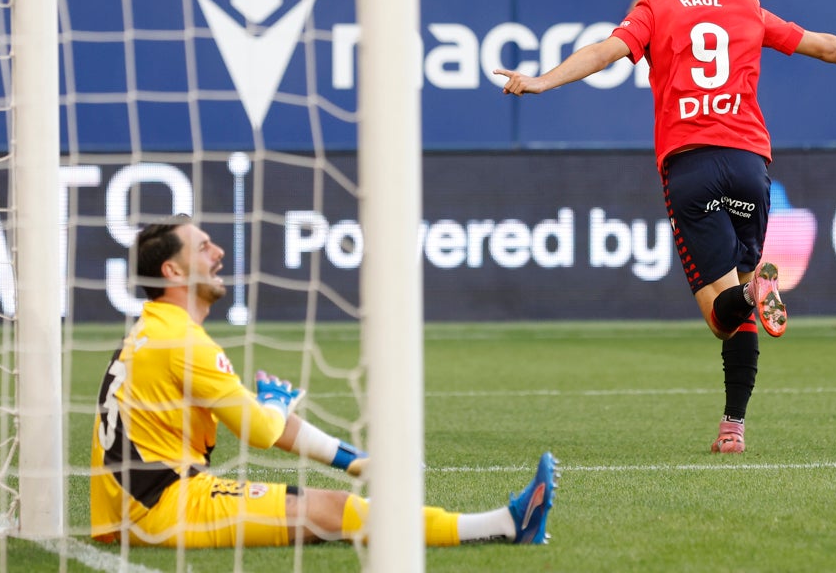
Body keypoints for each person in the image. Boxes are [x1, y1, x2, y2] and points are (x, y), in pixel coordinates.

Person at [493, 0, 836, 453]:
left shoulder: (654, 7)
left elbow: (605, 52)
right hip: (749, 160)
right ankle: (733, 426)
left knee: (723, 316)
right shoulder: (746, 5)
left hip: (691, 163)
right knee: (742, 292)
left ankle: (750, 295)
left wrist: (542, 80)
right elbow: (826, 46)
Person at [91, 214, 557, 547]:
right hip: (161, 508)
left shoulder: (155, 330)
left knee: (324, 496)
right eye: (203, 247)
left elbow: (266, 423)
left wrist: (358, 463)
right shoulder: (182, 341)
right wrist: (276, 406)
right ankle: (503, 526)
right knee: (334, 510)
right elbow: (262, 429)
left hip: (134, 506)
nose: (219, 253)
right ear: (172, 271)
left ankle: (380, 473)